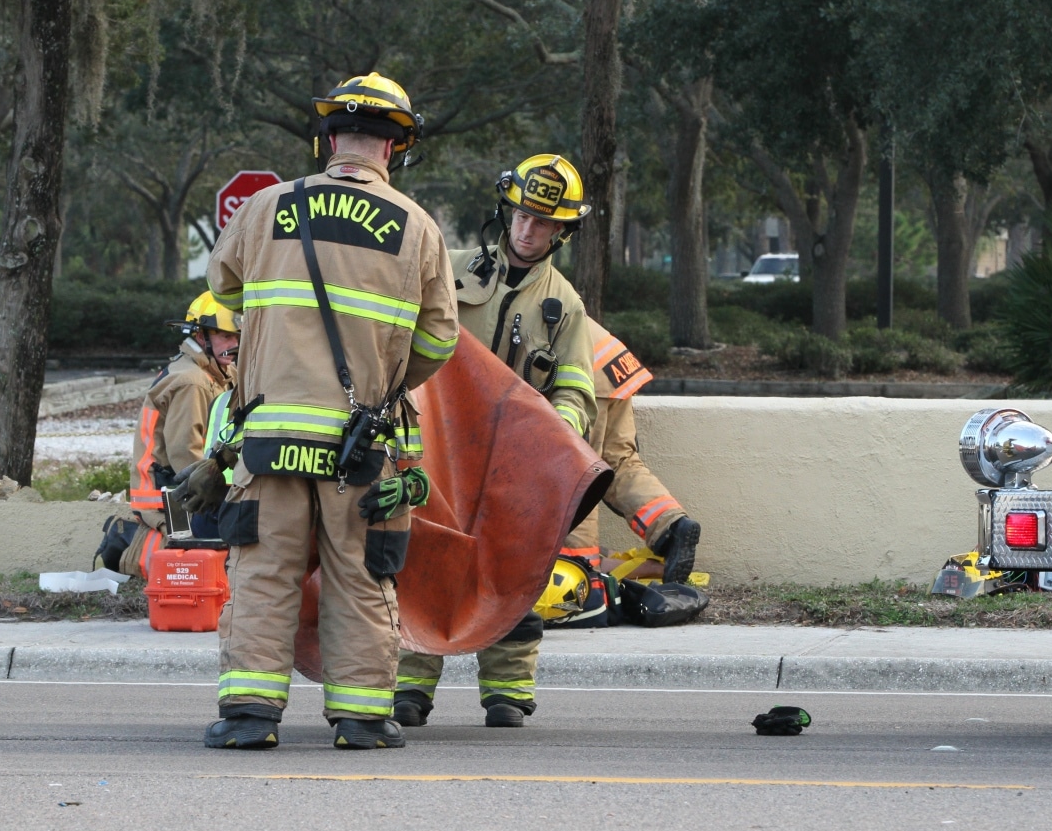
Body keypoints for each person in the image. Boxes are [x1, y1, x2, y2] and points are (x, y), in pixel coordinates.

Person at [179, 72, 459, 751]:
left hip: (269, 436)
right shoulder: (418, 228)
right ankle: (361, 720)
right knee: (360, 574)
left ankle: (249, 717)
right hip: (356, 445)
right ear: (395, 148)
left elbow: (224, 289)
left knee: (263, 571)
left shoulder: (266, 207)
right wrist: (384, 382)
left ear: (329, 139)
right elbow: (440, 340)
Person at [393, 154, 598, 730]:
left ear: (561, 231)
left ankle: (507, 692)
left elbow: (576, 390)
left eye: (543, 222)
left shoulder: (565, 306)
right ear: (507, 211)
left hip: (511, 463)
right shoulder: (451, 270)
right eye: (522, 216)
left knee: (512, 570)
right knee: (422, 561)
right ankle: (409, 686)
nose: (528, 230)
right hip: (436, 449)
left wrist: (552, 436)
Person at [95, 291, 239, 580]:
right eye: (225, 336)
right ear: (200, 336)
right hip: (171, 496)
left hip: (186, 489)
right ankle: (129, 544)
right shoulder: (192, 382)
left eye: (237, 336)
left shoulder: (219, 373)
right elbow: (185, 455)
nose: (233, 344)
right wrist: (226, 493)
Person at [562, 319, 701, 584]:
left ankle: (577, 570)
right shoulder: (546, 291)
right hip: (611, 363)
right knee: (619, 461)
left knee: (574, 474)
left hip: (576, 375)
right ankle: (671, 526)